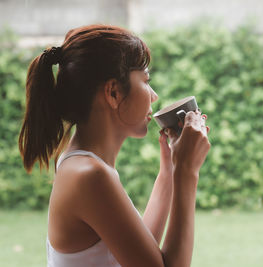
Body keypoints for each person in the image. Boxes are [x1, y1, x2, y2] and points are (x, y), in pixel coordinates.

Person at [18, 24, 211, 267]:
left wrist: (170, 171)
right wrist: (186, 172)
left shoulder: (80, 164)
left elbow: (139, 254)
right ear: (113, 93)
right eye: (145, 80)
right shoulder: (89, 176)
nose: (154, 96)